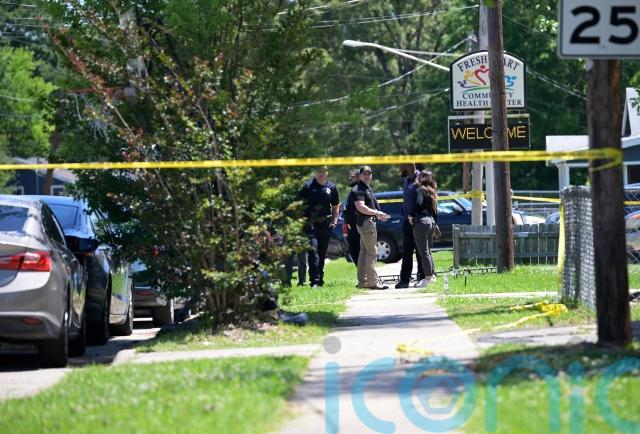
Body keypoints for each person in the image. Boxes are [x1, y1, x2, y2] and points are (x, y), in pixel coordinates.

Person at [299, 165, 340, 287]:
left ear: (327, 172)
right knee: (313, 251)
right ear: (314, 172)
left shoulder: (331, 187)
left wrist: (334, 221)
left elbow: (335, 206)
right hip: (310, 224)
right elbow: (299, 205)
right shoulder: (307, 186)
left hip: (325, 224)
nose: (321, 174)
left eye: (323, 171)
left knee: (322, 253)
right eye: (318, 171)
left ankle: (320, 279)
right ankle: (314, 281)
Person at [353, 166, 390, 290]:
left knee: (364, 253)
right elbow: (360, 206)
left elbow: (370, 205)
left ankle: (363, 281)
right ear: (360, 175)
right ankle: (373, 282)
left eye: (369, 174)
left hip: (367, 223)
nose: (367, 176)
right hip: (366, 224)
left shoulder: (366, 188)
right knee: (372, 253)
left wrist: (379, 214)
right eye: (364, 174)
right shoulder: (359, 189)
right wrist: (377, 213)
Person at [407, 170, 441, 288]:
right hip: (431, 221)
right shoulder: (433, 192)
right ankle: (432, 275)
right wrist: (435, 225)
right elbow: (435, 211)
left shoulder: (420, 190)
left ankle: (428, 278)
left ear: (421, 178)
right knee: (428, 251)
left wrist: (411, 215)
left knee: (424, 252)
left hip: (421, 221)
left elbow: (419, 203)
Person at [396, 163, 425, 289]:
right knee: (406, 252)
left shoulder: (421, 179)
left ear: (408, 166)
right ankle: (404, 280)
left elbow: (421, 202)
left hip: (418, 221)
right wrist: (406, 215)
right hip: (407, 222)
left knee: (420, 251)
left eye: (401, 167)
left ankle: (423, 278)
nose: (399, 169)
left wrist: (413, 215)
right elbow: (406, 202)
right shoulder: (406, 180)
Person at [344, 169, 361, 265]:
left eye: (352, 177)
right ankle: (362, 273)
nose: (350, 179)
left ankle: (365, 273)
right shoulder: (354, 190)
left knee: (358, 253)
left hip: (358, 227)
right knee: (354, 252)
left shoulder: (359, 190)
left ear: (359, 177)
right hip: (353, 228)